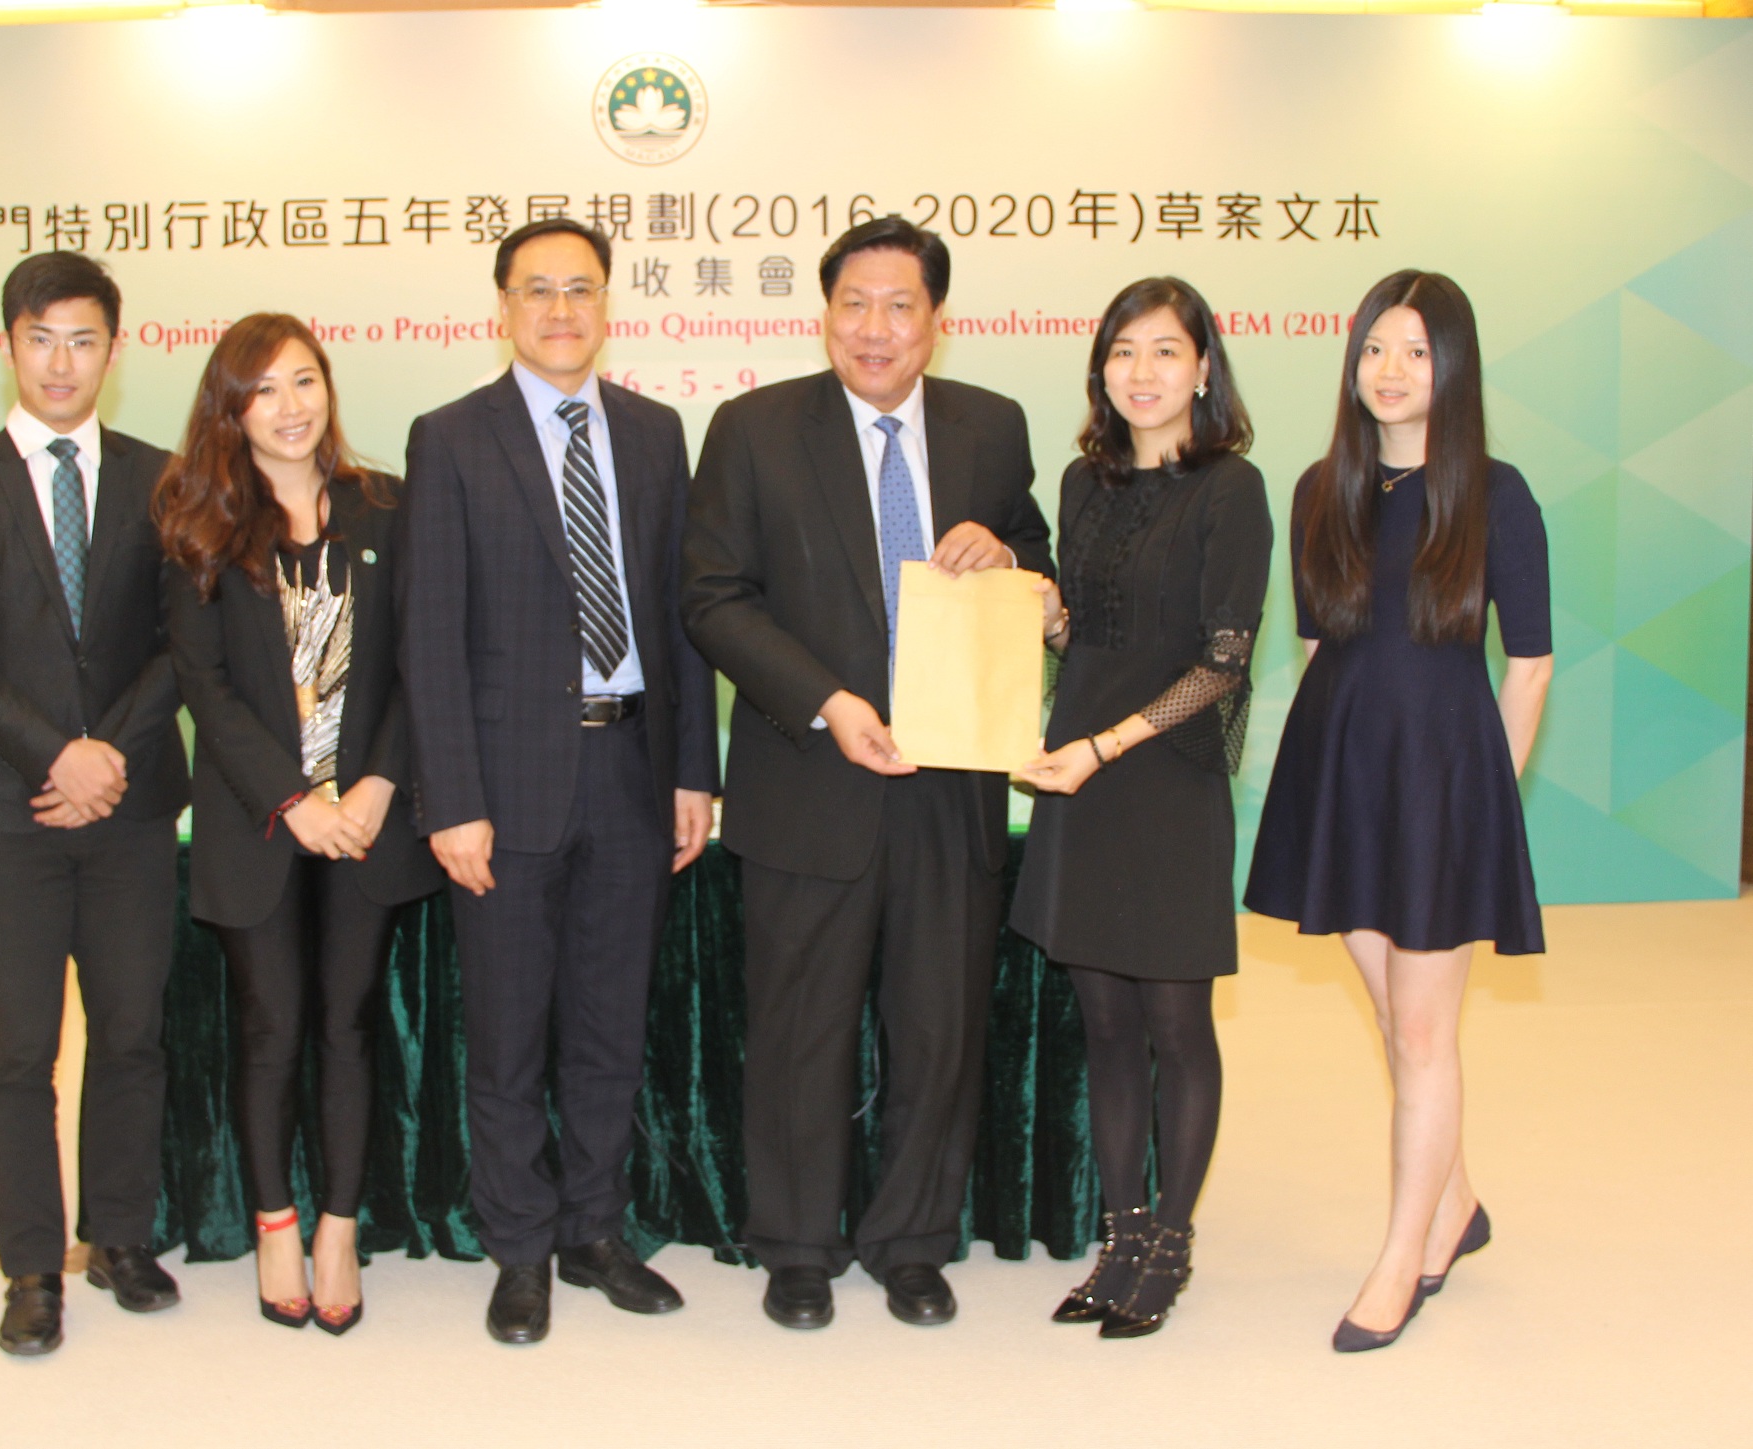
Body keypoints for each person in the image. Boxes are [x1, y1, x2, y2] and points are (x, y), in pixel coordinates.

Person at [681, 216, 1052, 1331]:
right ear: (825, 314)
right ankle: (798, 1245)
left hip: (952, 781)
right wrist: (828, 700)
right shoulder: (754, 429)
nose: (875, 328)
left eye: (900, 306)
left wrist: (1014, 561)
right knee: (801, 1028)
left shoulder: (992, 426)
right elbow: (712, 597)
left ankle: (912, 1241)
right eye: (854, 303)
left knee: (938, 1029)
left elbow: (1040, 573)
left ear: (938, 320)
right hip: (811, 774)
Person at [400, 218, 720, 1346]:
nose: (559, 310)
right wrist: (452, 800)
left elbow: (682, 617)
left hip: (633, 767)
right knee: (507, 1034)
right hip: (505, 783)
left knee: (608, 1025)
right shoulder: (451, 437)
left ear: (607, 302)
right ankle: (520, 1246)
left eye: (579, 288)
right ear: (502, 305)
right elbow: (430, 636)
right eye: (536, 289)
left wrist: (694, 770)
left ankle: (593, 1230)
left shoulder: (654, 431)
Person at [1244, 270, 1553, 1352]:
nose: (1390, 370)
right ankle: (1455, 1204)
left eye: (1417, 351)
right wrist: (1333, 773)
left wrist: (1482, 809)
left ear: (1451, 367)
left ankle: (1403, 1255)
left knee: (1422, 1032)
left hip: (1442, 788)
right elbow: (1319, 644)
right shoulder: (1317, 489)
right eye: (1376, 347)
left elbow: (1529, 667)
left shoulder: (1497, 494)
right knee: (1396, 1021)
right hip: (1344, 776)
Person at [0, 253, 187, 1356]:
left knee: (132, 1031)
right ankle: (30, 1267)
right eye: (40, 338)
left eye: (82, 340)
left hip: (130, 806)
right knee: (19, 1050)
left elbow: (183, 642)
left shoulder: (161, 479)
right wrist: (55, 756)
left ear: (113, 350)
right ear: (8, 345)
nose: (61, 362)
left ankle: (118, 1235)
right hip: (7, 812)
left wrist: (106, 756)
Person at [157, 314, 440, 1335]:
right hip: (261, 822)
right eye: (264, 389)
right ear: (230, 410)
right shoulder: (200, 522)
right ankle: (275, 1220)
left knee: (347, 1024)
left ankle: (337, 1229)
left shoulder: (387, 508)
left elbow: (420, 661)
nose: (290, 407)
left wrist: (378, 786)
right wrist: (293, 800)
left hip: (368, 821)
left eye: (305, 380)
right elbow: (206, 686)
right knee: (272, 1024)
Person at [1008, 277, 1272, 1338]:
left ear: (1203, 368)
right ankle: (1118, 1240)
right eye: (1123, 351)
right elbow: (1097, 639)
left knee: (1174, 1023)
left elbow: (1221, 660)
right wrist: (1048, 619)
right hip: (1080, 776)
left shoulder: (1231, 489)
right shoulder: (1084, 482)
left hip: (1162, 780)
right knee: (1107, 1025)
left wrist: (1106, 746)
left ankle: (1169, 1243)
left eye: (1165, 351)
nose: (1142, 372)